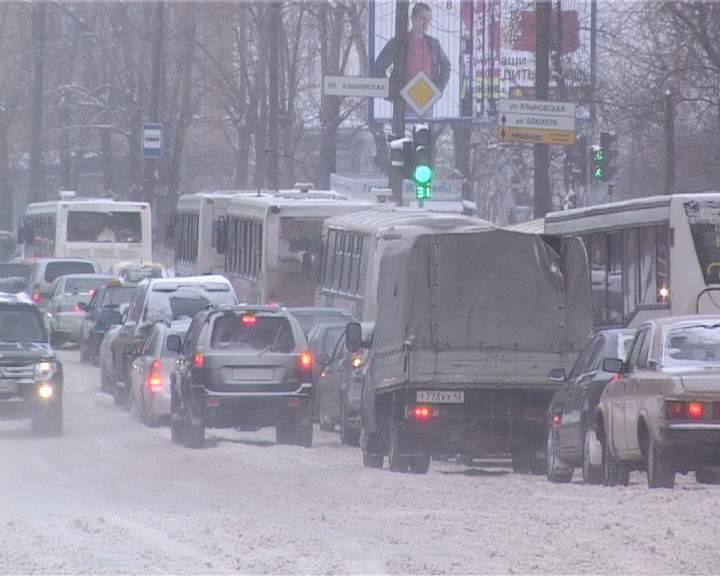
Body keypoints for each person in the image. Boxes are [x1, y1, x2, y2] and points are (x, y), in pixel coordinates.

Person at [374, 2, 451, 102]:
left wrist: (438, 91)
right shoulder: (397, 43)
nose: (426, 23)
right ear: (412, 18)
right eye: (422, 18)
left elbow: (446, 67)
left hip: (426, 106)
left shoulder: (434, 44)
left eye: (428, 20)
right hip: (402, 107)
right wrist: (393, 93)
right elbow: (378, 68)